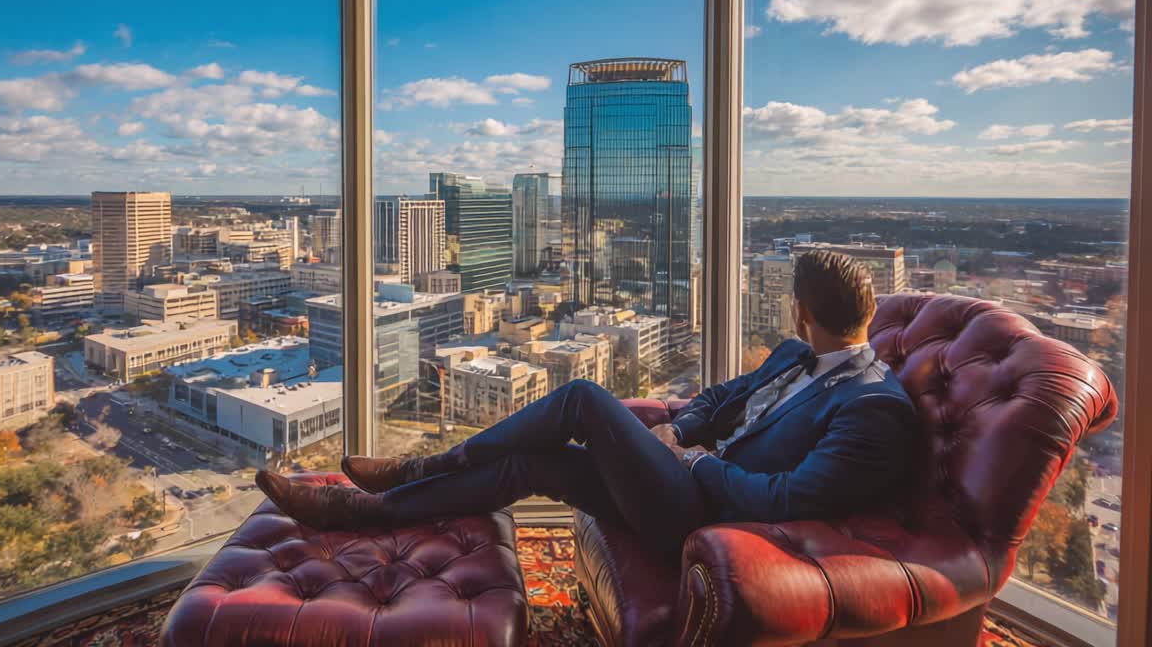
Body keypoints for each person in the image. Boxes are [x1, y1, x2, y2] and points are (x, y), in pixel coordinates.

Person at [256, 250, 917, 555]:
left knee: (579, 398)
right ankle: (364, 513)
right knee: (531, 467)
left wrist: (693, 464)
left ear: (802, 308)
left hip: (706, 514)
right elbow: (720, 397)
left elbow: (792, 499)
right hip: (680, 477)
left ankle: (418, 469)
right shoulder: (797, 353)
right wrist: (682, 429)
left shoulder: (872, 408)